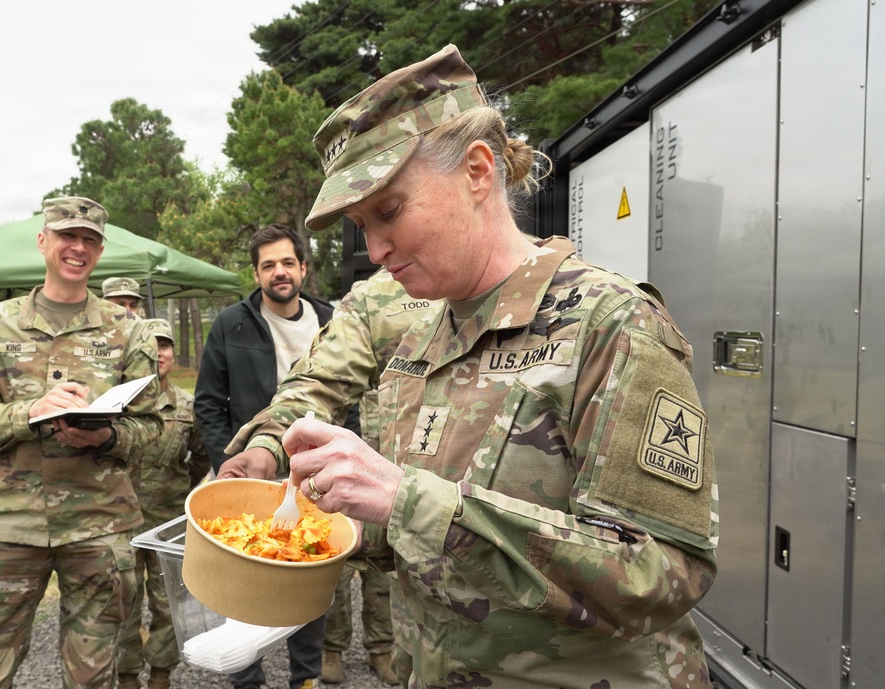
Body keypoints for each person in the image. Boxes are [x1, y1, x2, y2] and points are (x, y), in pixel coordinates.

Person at [251, 45, 720, 688]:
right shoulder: (420, 342)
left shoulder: (611, 323)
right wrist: (344, 523)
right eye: (362, 225)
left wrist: (406, 498)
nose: (376, 249)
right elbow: (424, 538)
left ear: (477, 172)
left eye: (388, 211)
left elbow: (662, 574)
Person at [0, 196, 163, 689]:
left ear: (100, 251)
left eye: (90, 239)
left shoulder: (128, 329)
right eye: (68, 235)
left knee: (93, 674)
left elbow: (154, 430)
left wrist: (107, 434)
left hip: (99, 525)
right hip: (12, 524)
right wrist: (30, 411)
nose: (78, 247)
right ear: (44, 241)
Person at [222, 269, 442, 685]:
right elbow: (320, 382)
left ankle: (377, 651)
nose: (376, 250)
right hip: (412, 580)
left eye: (390, 212)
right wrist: (268, 444)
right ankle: (342, 651)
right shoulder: (374, 297)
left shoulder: (590, 306)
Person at [194, 223, 361, 689]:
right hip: (248, 470)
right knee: (241, 581)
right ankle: (245, 678)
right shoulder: (232, 322)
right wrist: (229, 463)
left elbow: (351, 399)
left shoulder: (333, 321)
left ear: (303, 268)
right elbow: (209, 400)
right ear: (257, 273)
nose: (279, 272)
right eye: (269, 265)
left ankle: (304, 678)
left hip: (313, 476)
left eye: (288, 262)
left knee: (304, 573)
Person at [117, 318, 210, 689]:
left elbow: (201, 456)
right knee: (122, 602)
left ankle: (160, 674)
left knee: (166, 602)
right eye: (150, 347)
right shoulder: (116, 403)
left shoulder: (188, 405)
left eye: (165, 345)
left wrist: (179, 488)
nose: (158, 353)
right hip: (120, 519)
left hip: (166, 522)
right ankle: (126, 676)